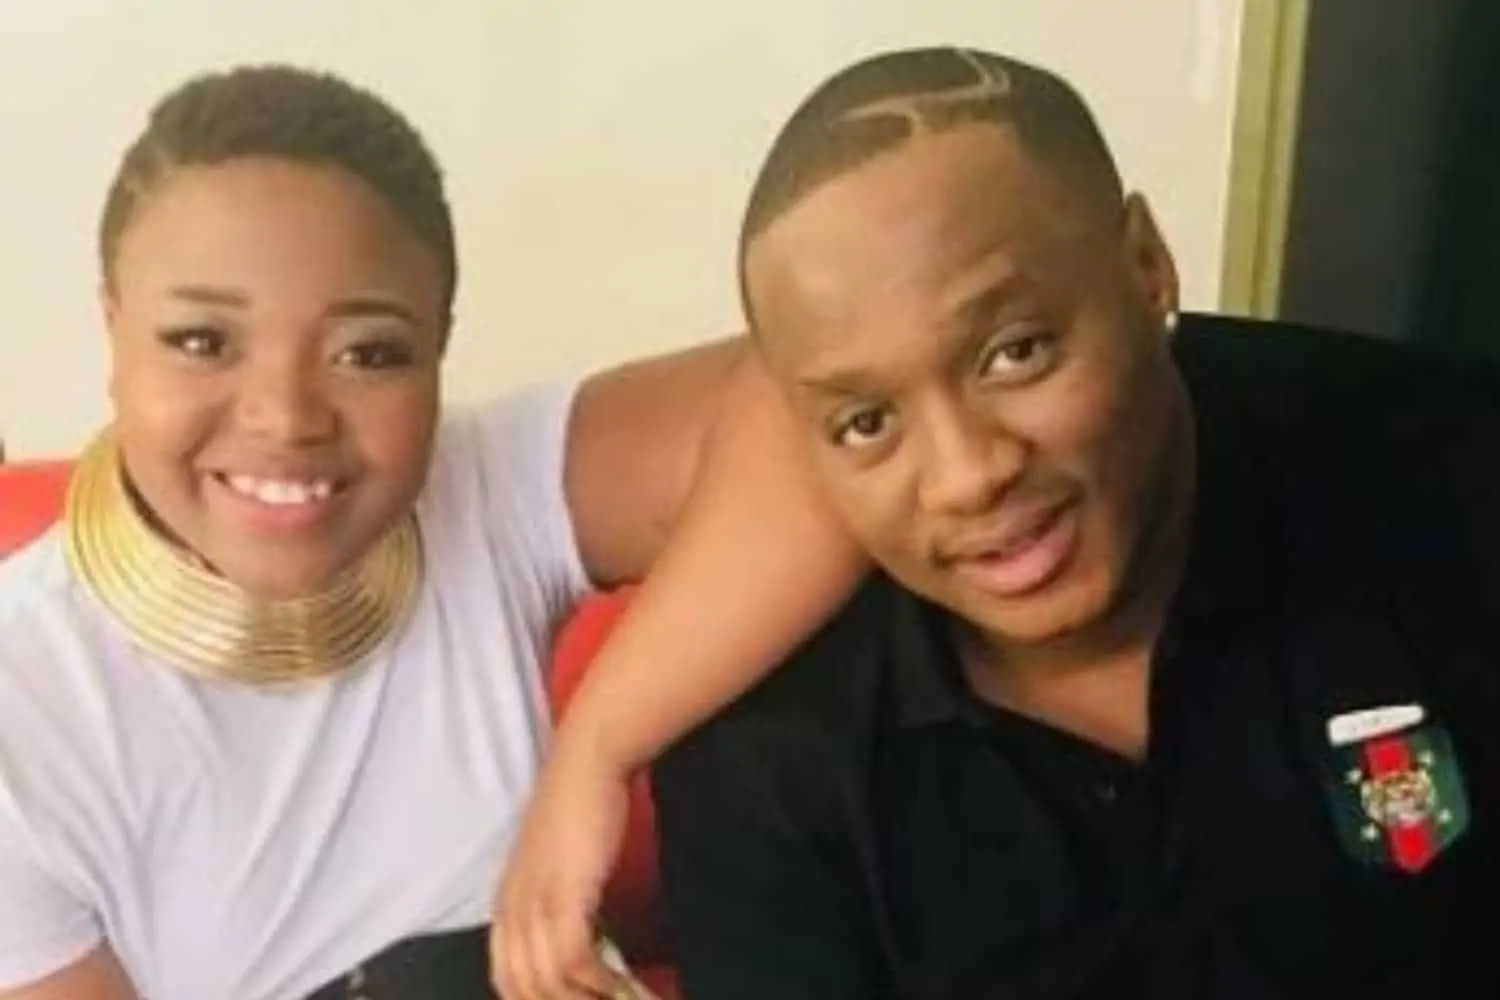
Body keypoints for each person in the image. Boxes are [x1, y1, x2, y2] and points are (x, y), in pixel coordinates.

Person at [504, 46, 1500, 999]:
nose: (967, 476)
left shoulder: (1438, 478)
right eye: (867, 422)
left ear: (1146, 264)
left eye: (1015, 352)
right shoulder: (767, 760)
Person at [0, 64, 864, 1000]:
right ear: (113, 328)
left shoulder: (486, 489)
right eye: (203, 342)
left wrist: (597, 752)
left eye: (368, 353)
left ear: (439, 347)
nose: (286, 418)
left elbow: (829, 393)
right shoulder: (25, 697)